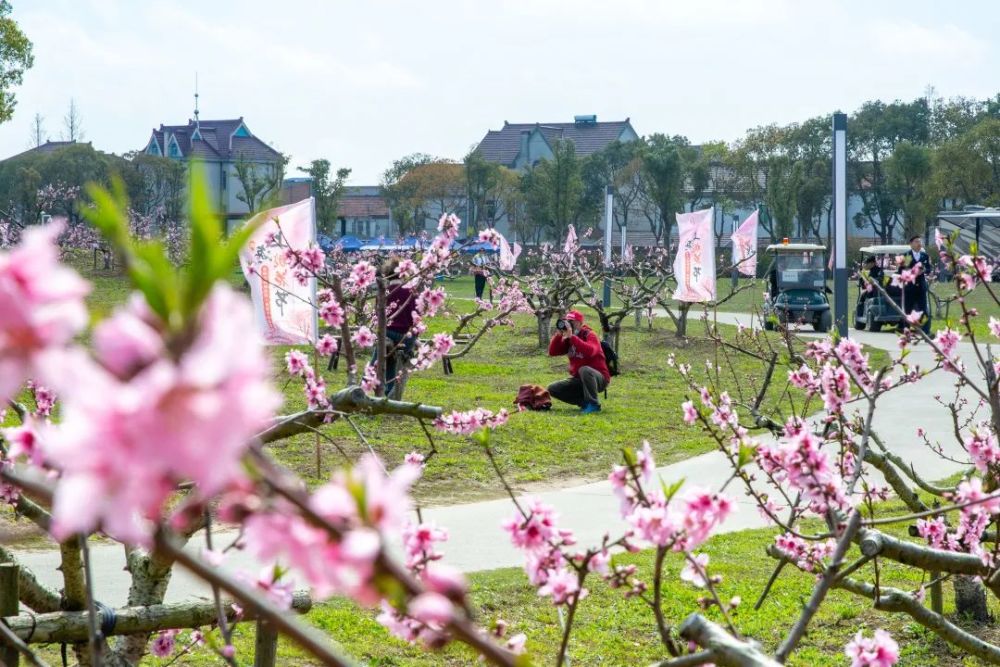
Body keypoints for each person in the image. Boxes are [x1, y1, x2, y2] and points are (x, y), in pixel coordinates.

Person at [546, 310, 610, 414]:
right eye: (568, 321)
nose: (569, 324)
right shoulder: (568, 337)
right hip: (579, 379)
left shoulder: (589, 334)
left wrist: (573, 337)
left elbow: (591, 352)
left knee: (584, 370)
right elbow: (553, 352)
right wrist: (559, 334)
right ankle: (584, 403)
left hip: (599, 378)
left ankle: (593, 404)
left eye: (572, 322)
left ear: (580, 323)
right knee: (553, 388)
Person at [373, 258, 417, 394]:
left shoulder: (384, 291)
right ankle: (390, 392)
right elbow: (417, 316)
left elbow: (377, 315)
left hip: (388, 332)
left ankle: (369, 381)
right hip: (406, 336)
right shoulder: (411, 291)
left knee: (382, 360)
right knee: (395, 362)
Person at [902, 234, 932, 334]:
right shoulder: (907, 255)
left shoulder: (924, 256)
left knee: (924, 309)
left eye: (920, 242)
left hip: (921, 286)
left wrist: (924, 270)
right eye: (916, 242)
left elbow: (928, 268)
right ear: (911, 244)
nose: (919, 244)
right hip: (910, 287)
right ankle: (906, 331)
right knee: (908, 309)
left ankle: (926, 331)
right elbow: (902, 269)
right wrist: (913, 271)